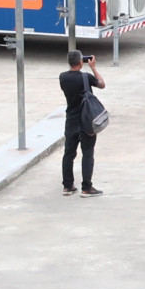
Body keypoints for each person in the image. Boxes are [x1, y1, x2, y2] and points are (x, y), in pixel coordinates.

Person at [59, 50, 105, 197]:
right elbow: (102, 84)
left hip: (71, 122)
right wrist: (93, 68)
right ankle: (86, 187)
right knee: (87, 153)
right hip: (86, 122)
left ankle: (67, 186)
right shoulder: (86, 77)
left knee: (69, 154)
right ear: (81, 62)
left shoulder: (63, 77)